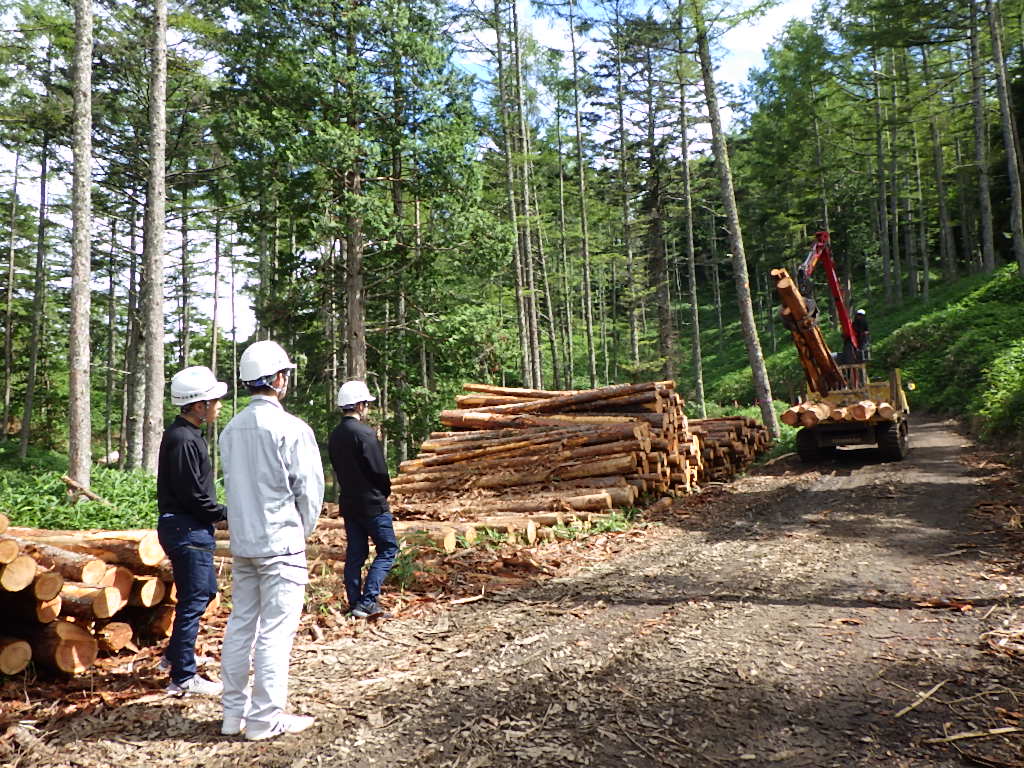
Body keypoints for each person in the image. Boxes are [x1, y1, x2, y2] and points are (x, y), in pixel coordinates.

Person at [218, 340, 324, 741]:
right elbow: (309, 491)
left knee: (241, 625)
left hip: (244, 544)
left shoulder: (230, 430)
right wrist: (302, 530)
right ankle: (264, 719)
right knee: (275, 632)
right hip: (281, 543)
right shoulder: (291, 428)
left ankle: (232, 714)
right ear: (279, 379)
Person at [157, 366, 228, 697]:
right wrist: (227, 514)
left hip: (186, 528)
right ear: (198, 405)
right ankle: (183, 677)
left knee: (203, 593)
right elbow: (194, 496)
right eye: (214, 401)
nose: (219, 406)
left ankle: (174, 657)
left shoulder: (184, 436)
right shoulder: (184, 440)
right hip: (188, 529)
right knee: (194, 600)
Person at [328, 380, 399, 619]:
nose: (366, 408)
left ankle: (355, 602)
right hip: (372, 503)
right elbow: (379, 470)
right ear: (359, 405)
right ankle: (368, 601)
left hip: (349, 502)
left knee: (356, 554)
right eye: (366, 404)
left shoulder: (336, 435)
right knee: (388, 548)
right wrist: (384, 491)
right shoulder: (365, 433)